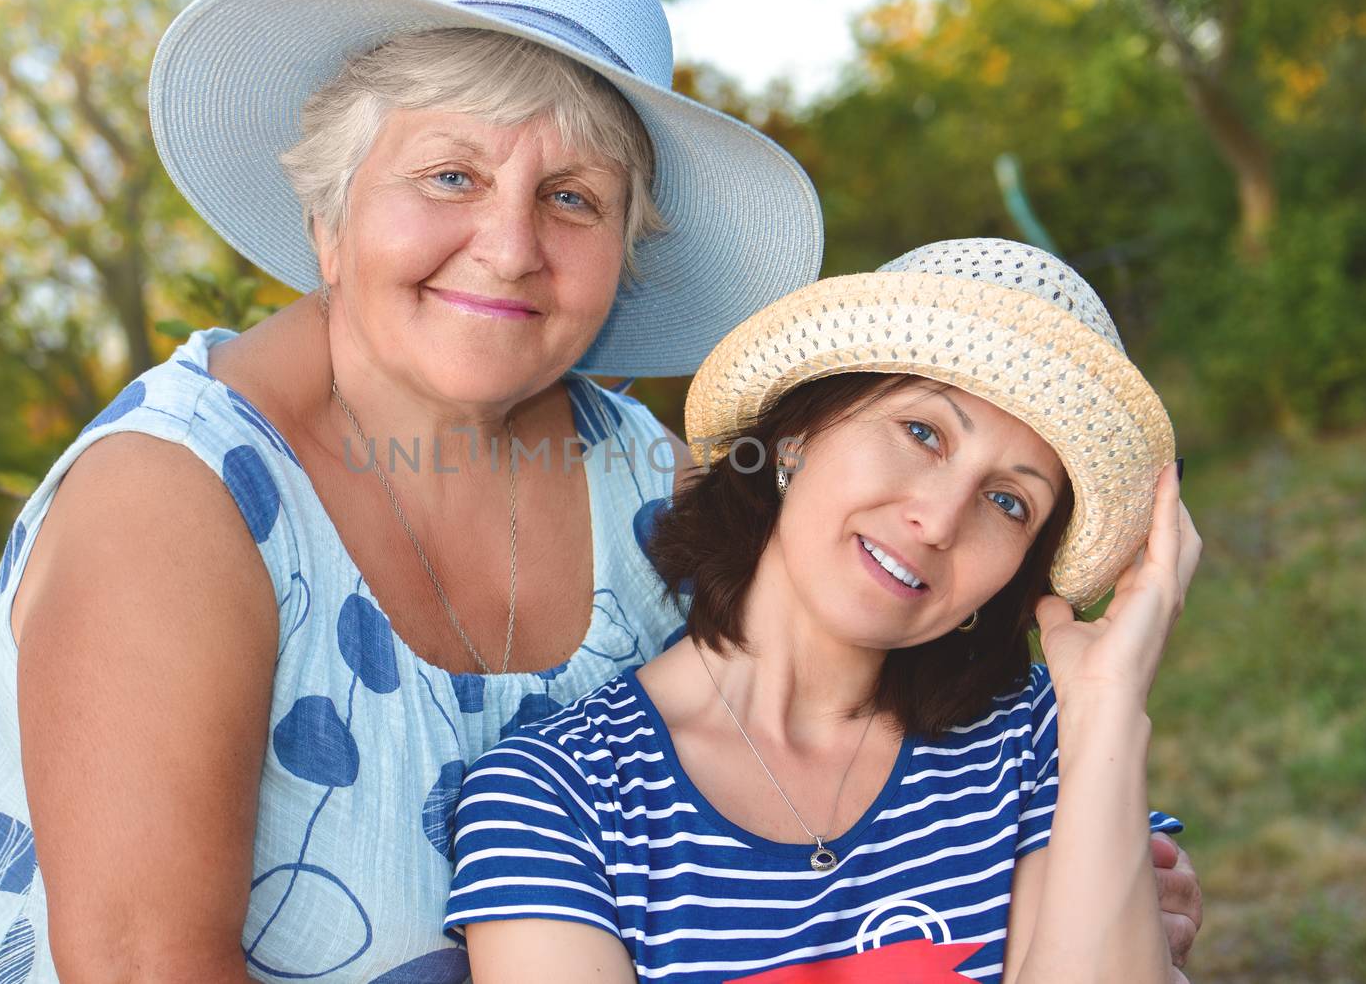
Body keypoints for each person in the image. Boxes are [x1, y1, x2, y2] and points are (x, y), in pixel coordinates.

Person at [0, 0, 829, 982]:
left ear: (622, 257)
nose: (510, 245)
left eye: (571, 198)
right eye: (450, 175)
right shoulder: (172, 497)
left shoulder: (655, 494)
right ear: (328, 211)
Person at [447, 238, 1203, 983]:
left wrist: (1106, 705)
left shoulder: (1042, 738)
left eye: (1008, 501)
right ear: (798, 434)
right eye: (922, 433)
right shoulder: (552, 800)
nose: (940, 522)